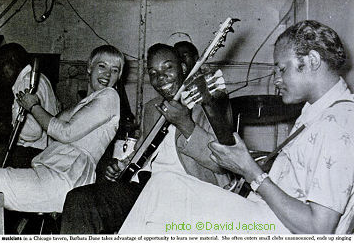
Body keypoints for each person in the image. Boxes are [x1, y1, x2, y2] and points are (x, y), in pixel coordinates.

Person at [118, 20, 354, 234]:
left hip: (276, 228)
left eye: (282, 69)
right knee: (162, 194)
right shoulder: (318, 113)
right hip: (265, 215)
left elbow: (319, 229)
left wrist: (251, 172)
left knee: (162, 189)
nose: (276, 79)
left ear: (312, 61)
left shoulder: (338, 122)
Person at [60, 43, 233, 234]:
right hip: (147, 188)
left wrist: (185, 123)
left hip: (189, 193)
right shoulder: (152, 108)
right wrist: (123, 165)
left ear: (183, 68)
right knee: (80, 200)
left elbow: (222, 162)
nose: (161, 77)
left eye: (168, 67)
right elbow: (143, 152)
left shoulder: (208, 104)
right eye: (153, 72)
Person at [0, 45, 124, 213]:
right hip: (57, 173)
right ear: (89, 67)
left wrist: (33, 106)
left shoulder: (109, 96)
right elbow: (57, 122)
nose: (108, 74)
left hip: (63, 177)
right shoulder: (92, 99)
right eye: (102, 66)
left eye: (115, 70)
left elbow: (64, 132)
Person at [0, 43, 60, 168]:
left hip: (31, 153)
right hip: (46, 152)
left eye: (1, 65)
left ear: (13, 61)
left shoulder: (25, 84)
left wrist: (7, 128)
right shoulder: (40, 78)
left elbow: (33, 132)